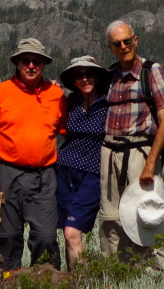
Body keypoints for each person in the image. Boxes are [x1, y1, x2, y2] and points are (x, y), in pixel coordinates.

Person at [0, 38, 66, 271]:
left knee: (46, 237)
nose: (31, 65)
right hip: (6, 174)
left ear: (44, 65)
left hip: (43, 177)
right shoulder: (0, 92)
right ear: (17, 63)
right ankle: (4, 283)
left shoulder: (55, 95)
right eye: (25, 60)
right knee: (6, 237)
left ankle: (45, 282)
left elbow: (67, 132)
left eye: (36, 61)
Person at [99, 20, 164, 261]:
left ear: (136, 40)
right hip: (110, 151)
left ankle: (152, 270)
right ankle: (115, 271)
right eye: (117, 43)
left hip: (139, 151)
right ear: (110, 47)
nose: (123, 46)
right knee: (110, 218)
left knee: (145, 212)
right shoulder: (109, 75)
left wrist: (151, 163)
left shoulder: (151, 71)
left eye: (127, 41)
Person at [55, 55, 110, 269]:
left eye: (89, 74)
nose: (85, 79)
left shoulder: (107, 103)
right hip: (64, 171)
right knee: (66, 232)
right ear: (74, 80)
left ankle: (81, 281)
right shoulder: (71, 101)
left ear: (96, 77)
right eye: (79, 75)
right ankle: (72, 279)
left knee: (71, 231)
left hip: (91, 174)